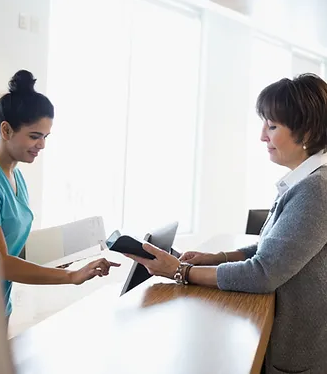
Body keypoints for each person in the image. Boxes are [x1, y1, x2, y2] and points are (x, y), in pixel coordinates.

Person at [127, 73, 327, 374]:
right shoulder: (305, 183)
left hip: (300, 349)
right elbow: (272, 249)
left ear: (308, 132)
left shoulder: (315, 189)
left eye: (272, 126)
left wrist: (180, 271)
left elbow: (263, 274)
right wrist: (218, 258)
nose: (263, 136)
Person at [0, 70, 120, 320]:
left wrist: (60, 258)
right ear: (6, 131)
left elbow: (12, 246)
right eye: (34, 136)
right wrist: (71, 277)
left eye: (46, 137)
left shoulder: (15, 176)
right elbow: (1, 263)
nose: (42, 145)